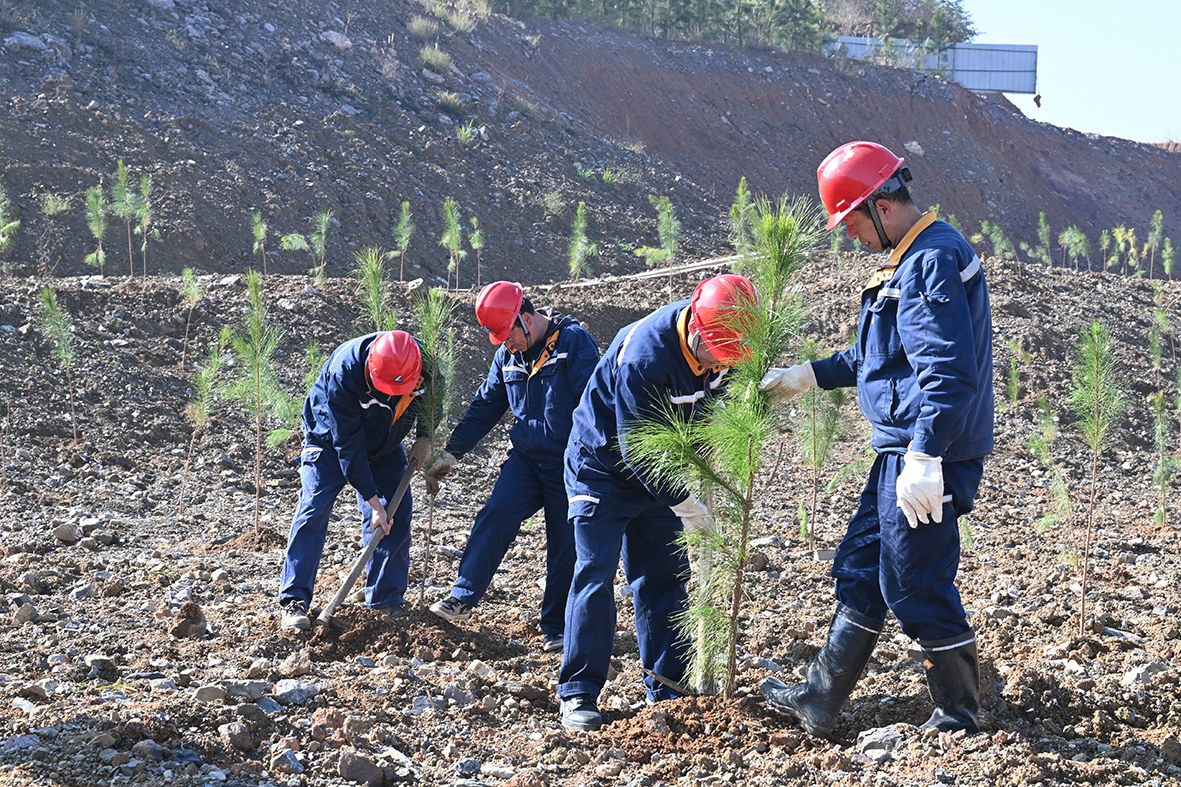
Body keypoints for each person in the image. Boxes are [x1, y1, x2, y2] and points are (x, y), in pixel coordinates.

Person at [759, 140, 994, 736]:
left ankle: (959, 714)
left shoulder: (930, 261)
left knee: (915, 582)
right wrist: (807, 375)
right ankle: (819, 698)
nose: (850, 237)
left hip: (925, 455)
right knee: (863, 568)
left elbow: (948, 372)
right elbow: (877, 357)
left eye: (852, 223)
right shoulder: (904, 262)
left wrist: (925, 454)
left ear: (881, 205)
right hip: (902, 450)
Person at [557, 274, 760, 732]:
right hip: (603, 469)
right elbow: (639, 451)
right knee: (595, 575)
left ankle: (667, 688)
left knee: (662, 579)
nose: (718, 368)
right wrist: (686, 505)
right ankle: (579, 693)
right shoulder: (645, 355)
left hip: (661, 475)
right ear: (695, 329)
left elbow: (711, 411)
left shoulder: (722, 343)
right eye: (716, 357)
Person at [425, 282, 600, 653]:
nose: (507, 343)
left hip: (569, 462)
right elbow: (486, 405)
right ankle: (463, 597)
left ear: (525, 317)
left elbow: (595, 403)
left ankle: (556, 625)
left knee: (565, 543)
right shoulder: (508, 356)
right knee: (495, 515)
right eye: (500, 338)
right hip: (525, 460)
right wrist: (453, 452)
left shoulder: (573, 344)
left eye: (509, 335)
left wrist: (595, 459)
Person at [277, 330, 439, 630]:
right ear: (372, 368)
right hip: (329, 440)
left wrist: (425, 436)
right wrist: (373, 502)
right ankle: (294, 600)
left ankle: (385, 602)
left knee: (397, 515)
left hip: (386, 443)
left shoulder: (422, 362)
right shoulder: (345, 371)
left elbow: (434, 399)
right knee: (314, 508)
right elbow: (348, 447)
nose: (391, 395)